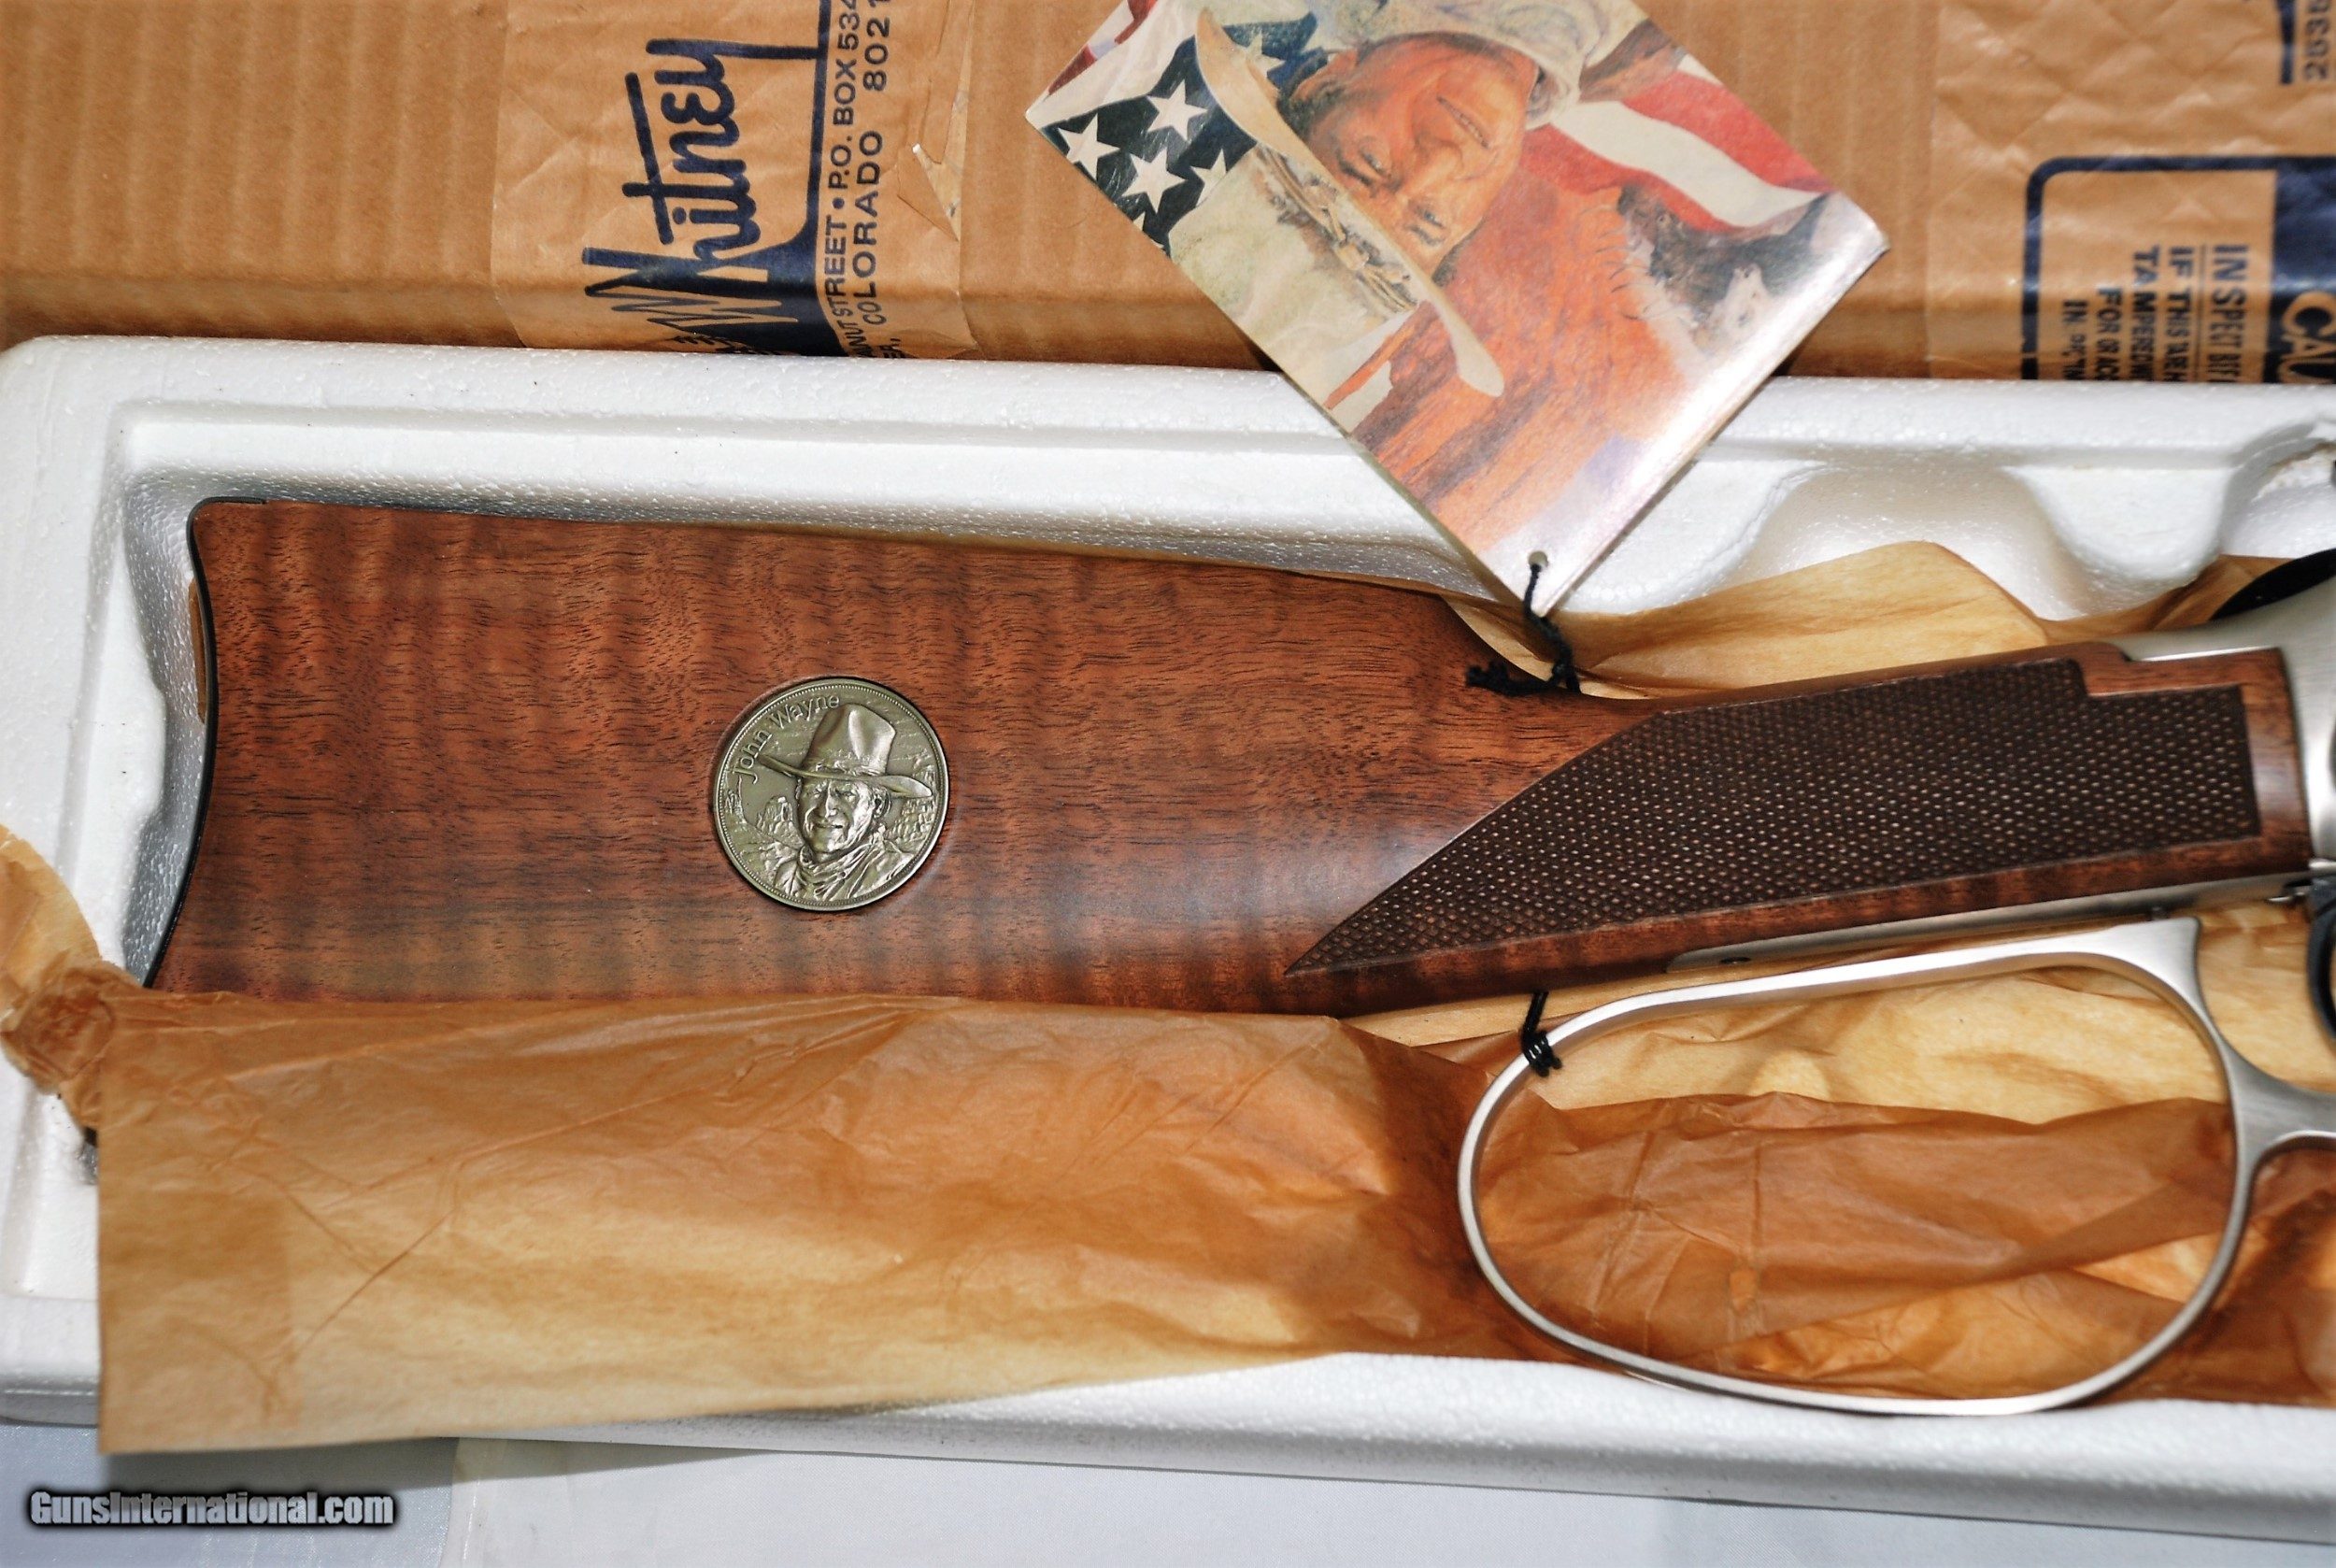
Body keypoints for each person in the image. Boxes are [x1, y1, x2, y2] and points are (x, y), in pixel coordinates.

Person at [752, 704, 933, 905]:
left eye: (846, 793)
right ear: (798, 794)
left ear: (878, 805)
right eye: (815, 791)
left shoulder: (894, 872)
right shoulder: (786, 876)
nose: (825, 809)